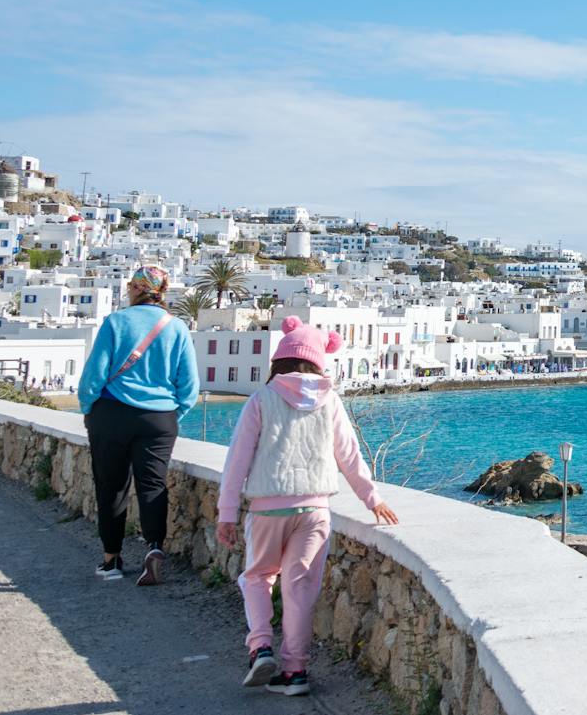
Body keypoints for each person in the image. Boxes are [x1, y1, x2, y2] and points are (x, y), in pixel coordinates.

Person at [216, 317, 399, 696]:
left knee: (257, 577)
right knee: (300, 589)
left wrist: (227, 514)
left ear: (279, 359)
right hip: (315, 510)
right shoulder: (329, 400)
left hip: (268, 508)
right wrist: (372, 498)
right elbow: (349, 455)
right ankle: (295, 672)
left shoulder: (261, 400)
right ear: (319, 361)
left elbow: (237, 461)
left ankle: (260, 646)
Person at [76, 265, 200, 586]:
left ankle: (111, 559)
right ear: (163, 291)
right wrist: (172, 416)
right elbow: (189, 387)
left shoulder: (116, 322)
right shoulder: (177, 328)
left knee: (111, 487)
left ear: (134, 289)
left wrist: (89, 409)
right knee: (153, 485)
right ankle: (154, 547)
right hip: (158, 419)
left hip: (112, 414)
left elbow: (94, 375)